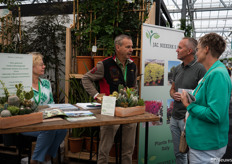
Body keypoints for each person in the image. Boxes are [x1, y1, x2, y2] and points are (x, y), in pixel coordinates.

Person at [82, 34, 137, 164]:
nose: (131, 50)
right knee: (105, 148)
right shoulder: (104, 64)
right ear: (118, 47)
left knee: (128, 148)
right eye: (128, 47)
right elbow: (86, 78)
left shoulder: (133, 66)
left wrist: (134, 100)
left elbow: (134, 86)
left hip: (128, 111)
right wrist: (97, 95)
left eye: (132, 47)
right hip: (109, 110)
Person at [181, 33, 232, 164]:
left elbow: (215, 114)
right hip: (203, 144)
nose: (196, 53)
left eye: (198, 49)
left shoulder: (217, 74)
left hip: (206, 147)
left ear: (207, 49)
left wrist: (189, 106)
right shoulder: (212, 72)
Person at [22, 52, 67, 164]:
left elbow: (51, 103)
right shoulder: (22, 85)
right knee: (49, 130)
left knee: (63, 129)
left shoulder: (46, 83)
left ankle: (47, 156)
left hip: (46, 120)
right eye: (41, 64)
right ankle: (35, 160)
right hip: (28, 123)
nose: (44, 66)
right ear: (31, 67)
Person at [169, 37, 206, 164]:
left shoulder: (201, 69)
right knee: (179, 153)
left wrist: (189, 101)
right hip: (175, 117)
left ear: (189, 51)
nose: (176, 50)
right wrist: (173, 95)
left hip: (190, 118)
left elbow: (203, 95)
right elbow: (172, 89)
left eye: (180, 47)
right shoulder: (177, 69)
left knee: (194, 156)